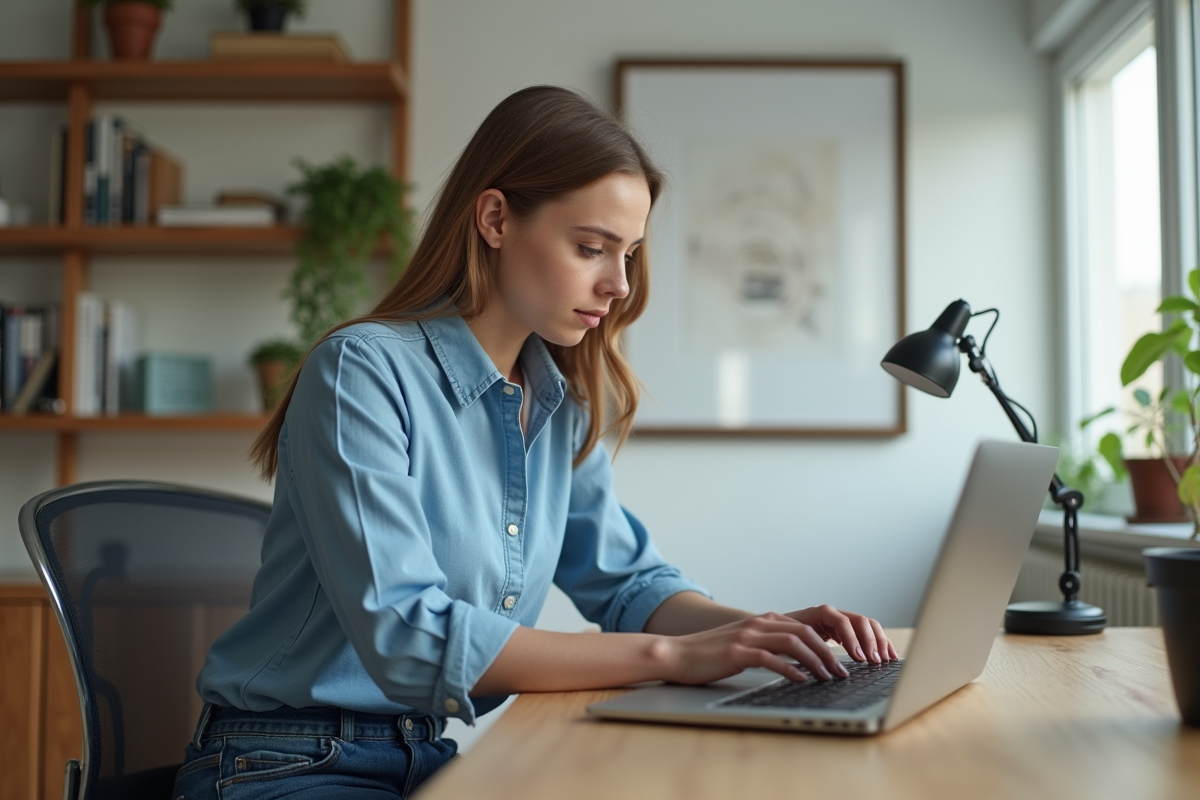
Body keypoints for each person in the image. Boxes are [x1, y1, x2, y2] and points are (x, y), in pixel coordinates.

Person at [172, 85, 898, 800]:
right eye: (591, 247)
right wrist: (674, 657)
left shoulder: (559, 400)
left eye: (630, 255)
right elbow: (405, 633)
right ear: (494, 218)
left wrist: (764, 634)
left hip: (424, 755)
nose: (617, 284)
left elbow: (628, 584)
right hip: (283, 762)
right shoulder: (362, 370)